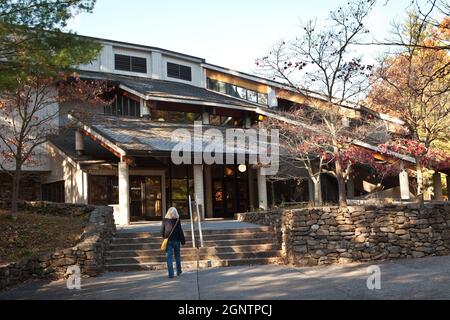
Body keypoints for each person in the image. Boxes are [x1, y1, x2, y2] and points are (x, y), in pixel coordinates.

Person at [161, 207, 186, 278]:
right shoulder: (177, 220)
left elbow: (162, 231)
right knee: (177, 256)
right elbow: (180, 231)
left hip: (168, 241)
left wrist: (164, 237)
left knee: (169, 258)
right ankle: (179, 271)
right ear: (176, 213)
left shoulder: (164, 220)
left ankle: (171, 274)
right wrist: (183, 241)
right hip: (177, 241)